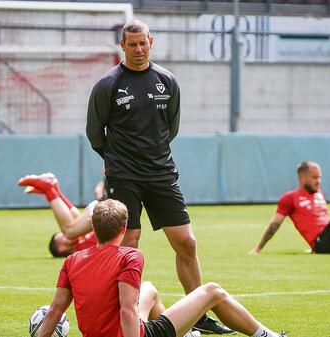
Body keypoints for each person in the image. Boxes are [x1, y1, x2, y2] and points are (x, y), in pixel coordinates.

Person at [85, 19, 231, 334]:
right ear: (122, 46)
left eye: (143, 43)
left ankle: (197, 315)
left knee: (187, 242)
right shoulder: (107, 85)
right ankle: (126, 314)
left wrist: (152, 156)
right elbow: (95, 134)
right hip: (124, 175)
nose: (138, 49)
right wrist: (115, 161)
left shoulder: (167, 81)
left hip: (162, 173)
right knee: (130, 244)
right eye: (132, 44)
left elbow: (171, 128)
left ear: (152, 41)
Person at [37, 199, 287, 337]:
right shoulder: (130, 256)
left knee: (149, 289)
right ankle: (268, 336)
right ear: (124, 229)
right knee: (212, 291)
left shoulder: (73, 260)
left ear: (93, 229)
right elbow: (126, 310)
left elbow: (56, 310)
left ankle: (187, 334)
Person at [18, 172, 104, 257]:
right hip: (105, 212)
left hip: (104, 211)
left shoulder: (81, 243)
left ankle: (48, 188)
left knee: (70, 231)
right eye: (62, 236)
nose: (63, 234)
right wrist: (56, 191)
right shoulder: (81, 250)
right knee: (70, 230)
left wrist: (55, 192)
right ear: (61, 248)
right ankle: (49, 188)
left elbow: (76, 218)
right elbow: (77, 218)